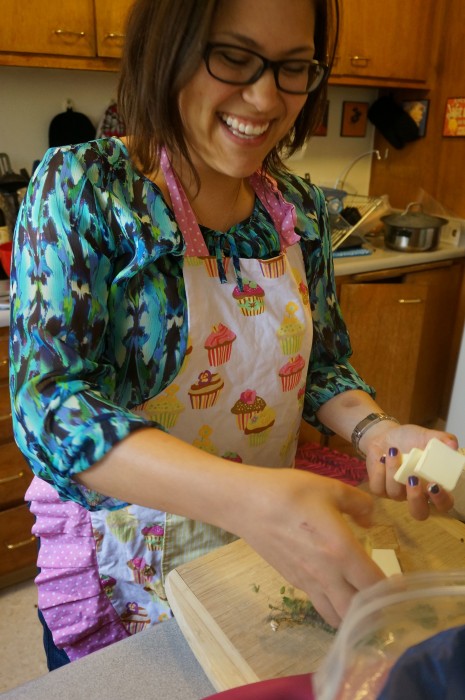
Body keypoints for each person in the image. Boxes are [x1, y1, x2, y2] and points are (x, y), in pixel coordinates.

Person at [10, 0, 457, 671]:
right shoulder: (86, 188)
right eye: (232, 56)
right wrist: (250, 500)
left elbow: (326, 368)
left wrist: (376, 432)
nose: (265, 96)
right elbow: (49, 408)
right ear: (168, 47)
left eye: (291, 67)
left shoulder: (298, 208)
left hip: (257, 543)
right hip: (127, 555)